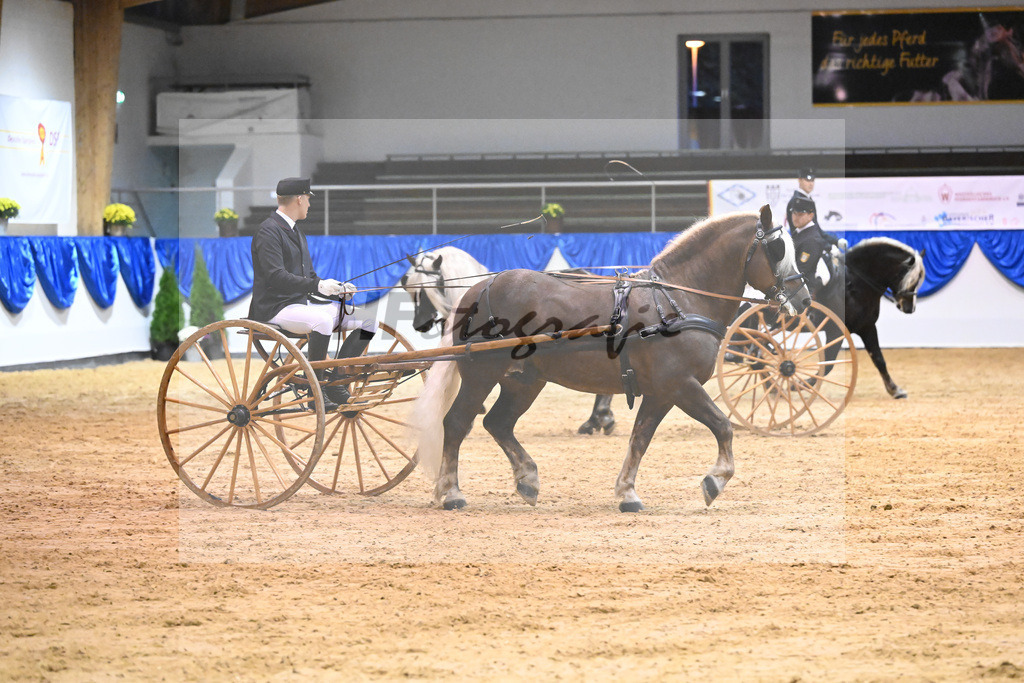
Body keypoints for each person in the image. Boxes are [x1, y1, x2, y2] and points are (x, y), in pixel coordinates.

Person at [248, 177, 377, 409]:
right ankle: (313, 387)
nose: (309, 204)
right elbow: (276, 276)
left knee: (368, 319)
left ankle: (336, 381)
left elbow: (309, 278)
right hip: (274, 308)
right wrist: (316, 286)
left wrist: (335, 289)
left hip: (299, 305)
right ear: (299, 198)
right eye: (307, 199)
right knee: (322, 321)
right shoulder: (268, 231)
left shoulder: (296, 232)